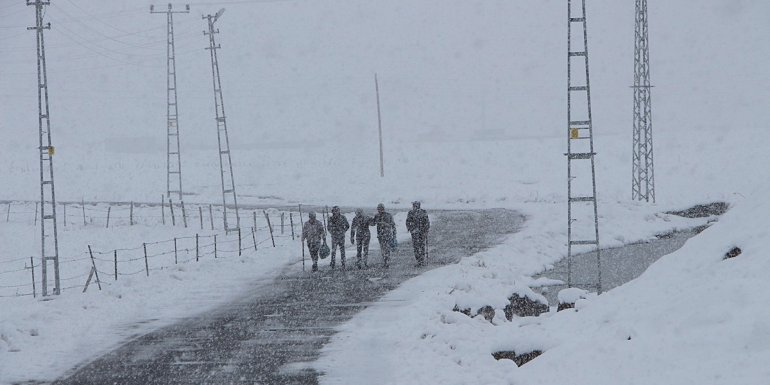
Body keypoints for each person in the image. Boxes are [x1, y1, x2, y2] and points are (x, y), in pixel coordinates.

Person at [370, 203, 396, 268]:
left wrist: (394, 235)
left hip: (387, 235)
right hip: (380, 235)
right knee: (382, 249)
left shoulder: (388, 215)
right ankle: (385, 261)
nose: (380, 210)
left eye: (381, 209)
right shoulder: (377, 216)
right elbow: (373, 223)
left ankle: (387, 261)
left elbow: (392, 225)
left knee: (387, 248)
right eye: (378, 209)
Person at [406, 201, 430, 266]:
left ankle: (421, 259)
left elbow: (427, 221)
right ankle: (418, 259)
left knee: (422, 245)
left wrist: (426, 229)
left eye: (416, 206)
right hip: (414, 232)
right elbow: (408, 221)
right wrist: (410, 229)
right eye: (414, 206)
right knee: (416, 246)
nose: (415, 207)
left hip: (422, 231)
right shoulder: (411, 213)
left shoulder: (423, 212)